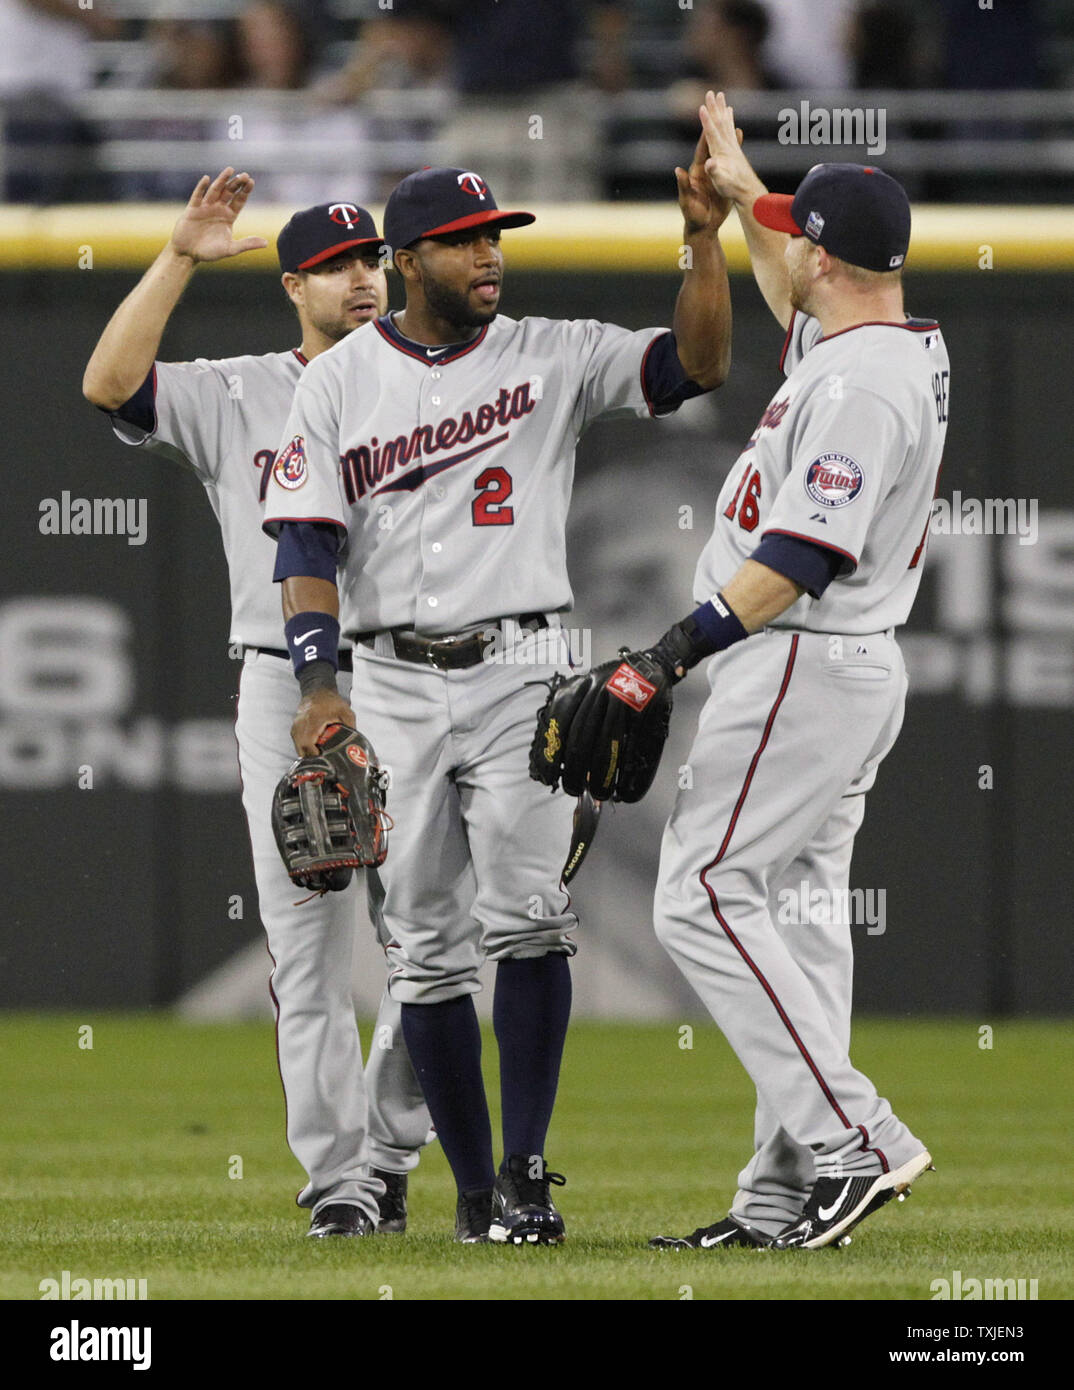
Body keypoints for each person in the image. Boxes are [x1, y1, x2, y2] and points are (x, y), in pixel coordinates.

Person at [262, 145, 733, 1243]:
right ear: (407, 257)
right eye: (466, 241)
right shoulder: (337, 381)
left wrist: (705, 241)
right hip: (385, 671)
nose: (489, 256)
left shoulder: (552, 354)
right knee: (425, 947)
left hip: (523, 667)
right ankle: (472, 1192)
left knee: (529, 923)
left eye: (496, 237)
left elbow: (697, 363)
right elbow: (304, 540)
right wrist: (317, 685)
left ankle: (525, 1174)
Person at [82, 171, 432, 1239]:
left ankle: (390, 1149)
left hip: (418, 676)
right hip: (286, 681)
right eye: (336, 266)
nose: (362, 279)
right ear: (293, 285)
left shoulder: (439, 382)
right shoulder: (241, 390)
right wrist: (181, 254)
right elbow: (109, 382)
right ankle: (338, 1184)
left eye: (371, 259)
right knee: (308, 948)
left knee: (432, 942)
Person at [633, 92, 946, 1250]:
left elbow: (803, 558)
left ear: (828, 254)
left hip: (802, 662)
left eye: (794, 232)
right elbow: (785, 282)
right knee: (801, 922)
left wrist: (670, 654)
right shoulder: (873, 336)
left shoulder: (865, 385)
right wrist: (739, 180)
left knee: (701, 895)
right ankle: (780, 1197)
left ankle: (860, 1145)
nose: (785, 247)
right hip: (838, 672)